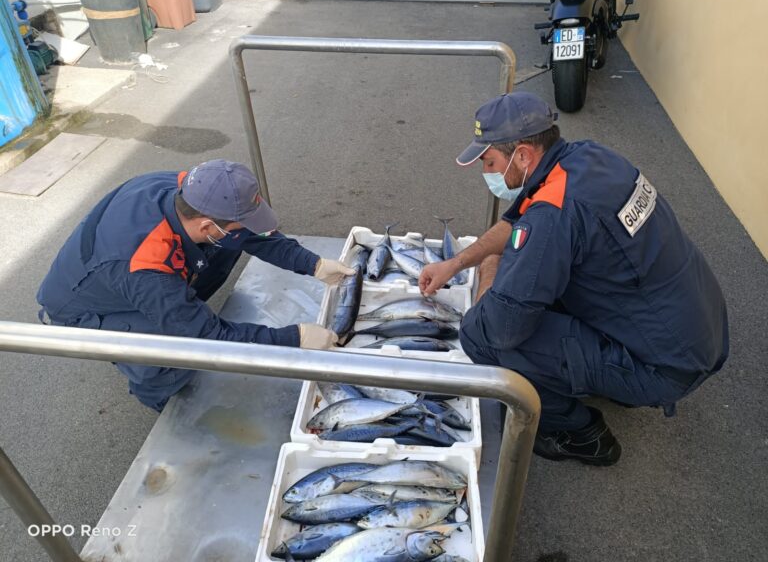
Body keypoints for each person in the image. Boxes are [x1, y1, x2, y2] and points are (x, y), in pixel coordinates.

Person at [420, 92, 729, 466]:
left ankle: (582, 434)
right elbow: (518, 220)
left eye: (489, 162)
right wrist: (457, 262)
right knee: (525, 280)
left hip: (664, 367)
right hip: (700, 330)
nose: (487, 173)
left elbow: (499, 329)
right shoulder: (584, 158)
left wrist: (489, 278)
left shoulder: (554, 215)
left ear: (522, 155)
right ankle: (597, 373)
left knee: (479, 336)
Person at [37, 159, 352, 412]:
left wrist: (313, 264)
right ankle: (169, 406)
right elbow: (210, 337)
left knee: (228, 244)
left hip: (132, 272)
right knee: (169, 349)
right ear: (205, 225)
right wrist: (294, 338)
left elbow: (251, 234)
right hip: (85, 304)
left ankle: (179, 307)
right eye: (238, 223)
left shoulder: (190, 190)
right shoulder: (146, 269)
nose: (245, 230)